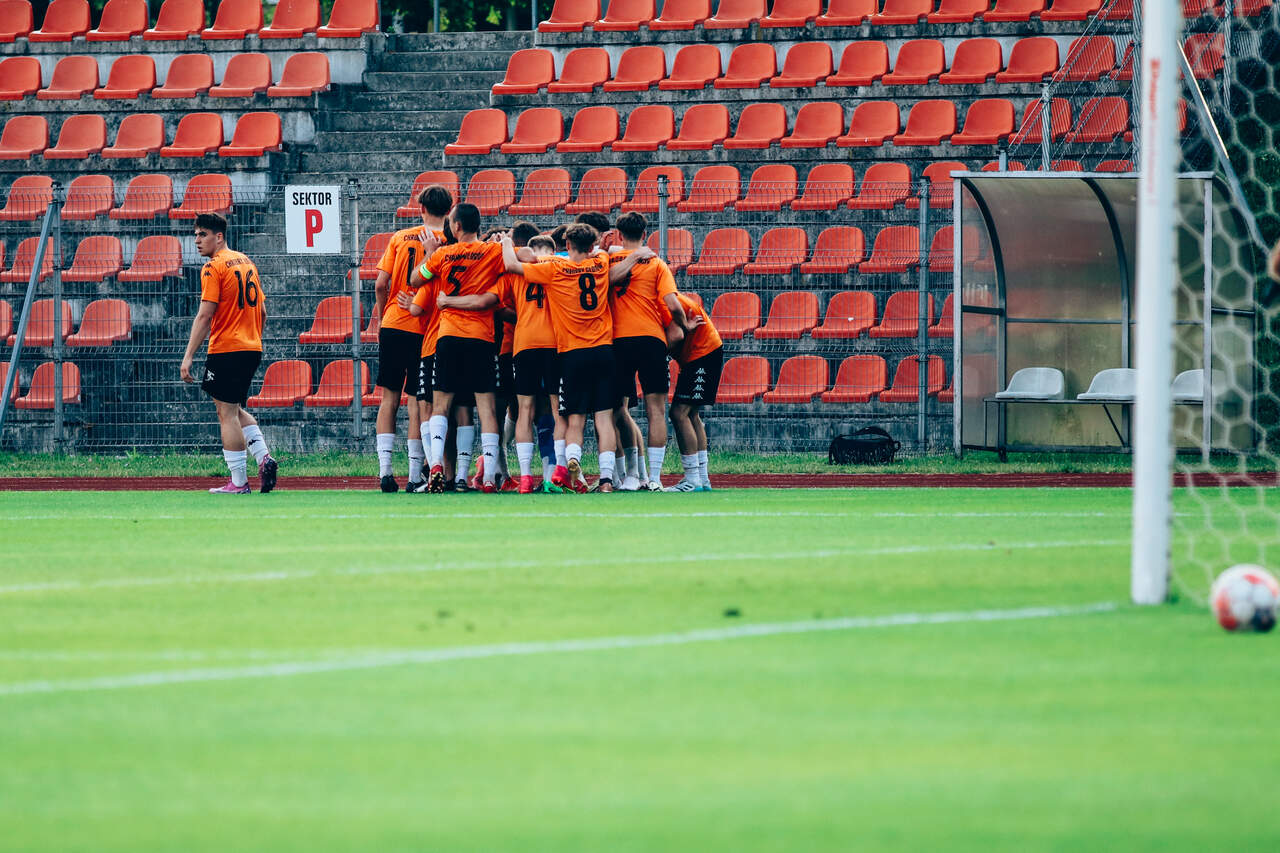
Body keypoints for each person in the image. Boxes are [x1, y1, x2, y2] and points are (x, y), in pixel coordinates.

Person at [501, 224, 652, 492]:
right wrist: (636, 255)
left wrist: (505, 243)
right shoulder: (600, 262)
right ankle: (606, 480)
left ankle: (570, 462)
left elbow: (513, 264)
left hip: (571, 353)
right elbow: (611, 256)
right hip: (603, 351)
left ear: (567, 245)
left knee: (574, 418)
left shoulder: (555, 268)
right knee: (604, 418)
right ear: (592, 246)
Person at [410, 203, 507, 493]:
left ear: (457, 226)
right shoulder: (491, 252)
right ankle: (488, 478)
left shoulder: (443, 254)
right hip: (481, 337)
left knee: (441, 405)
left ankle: (436, 465)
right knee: (486, 409)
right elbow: (521, 259)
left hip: (449, 336)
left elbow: (415, 279)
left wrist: (430, 255)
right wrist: (505, 243)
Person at [180, 212, 278, 495]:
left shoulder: (213, 267)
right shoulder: (246, 261)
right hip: (251, 346)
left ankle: (239, 481)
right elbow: (262, 310)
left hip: (226, 348)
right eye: (196, 235)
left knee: (226, 414)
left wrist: (188, 356)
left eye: (203, 234)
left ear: (219, 236)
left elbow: (205, 315)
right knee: (232, 409)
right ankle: (264, 458)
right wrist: (253, 337)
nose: (197, 240)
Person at [371, 184, 452, 493]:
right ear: (449, 211)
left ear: (421, 208)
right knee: (418, 402)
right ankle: (415, 474)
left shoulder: (400, 237)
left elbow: (381, 284)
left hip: (394, 323)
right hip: (427, 328)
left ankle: (385, 471)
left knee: (388, 398)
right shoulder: (449, 241)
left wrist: (384, 317)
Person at [608, 212, 691, 491]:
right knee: (656, 410)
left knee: (616, 409)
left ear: (619, 235)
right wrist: (684, 325)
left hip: (618, 341)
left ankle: (631, 475)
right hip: (651, 340)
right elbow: (673, 304)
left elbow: (606, 280)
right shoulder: (656, 263)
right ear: (645, 234)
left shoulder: (609, 261)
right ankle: (654, 478)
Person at [662, 292, 722, 492]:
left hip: (701, 353)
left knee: (679, 413)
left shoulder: (664, 301)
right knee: (691, 414)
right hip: (702, 352)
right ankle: (702, 479)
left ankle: (693, 479)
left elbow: (676, 335)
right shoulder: (669, 296)